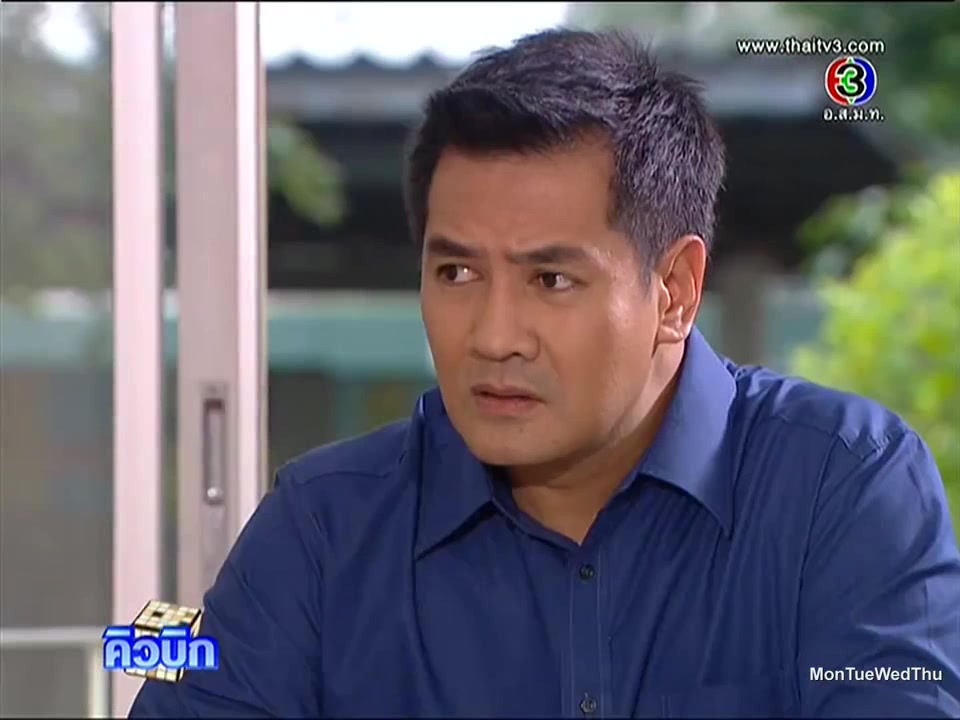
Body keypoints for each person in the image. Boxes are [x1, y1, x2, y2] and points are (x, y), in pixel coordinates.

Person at [130, 29, 960, 718]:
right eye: (456, 273)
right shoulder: (323, 529)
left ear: (674, 291)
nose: (493, 338)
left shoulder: (841, 487)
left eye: (552, 280)